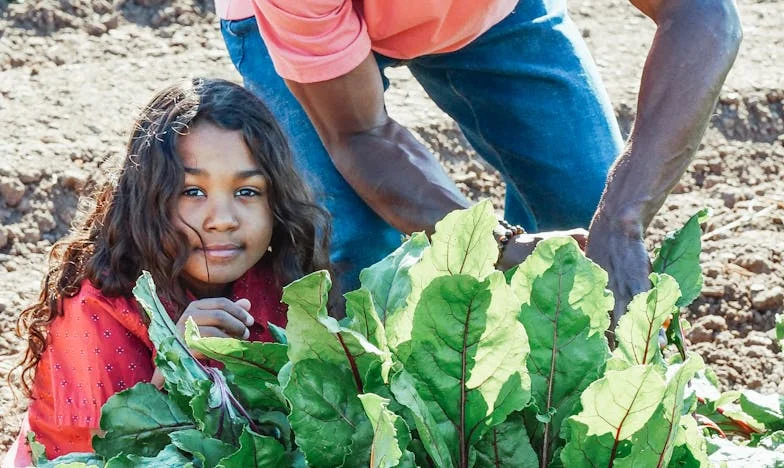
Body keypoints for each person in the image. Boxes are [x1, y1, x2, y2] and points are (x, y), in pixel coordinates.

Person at [216, 0, 741, 322]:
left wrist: (622, 217)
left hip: (486, 13)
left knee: (584, 202)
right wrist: (499, 245)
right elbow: (359, 133)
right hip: (300, 23)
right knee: (356, 257)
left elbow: (703, 12)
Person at [3, 78, 331, 465]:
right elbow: (105, 453)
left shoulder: (279, 282)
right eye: (192, 192)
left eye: (247, 192)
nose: (223, 219)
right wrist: (176, 364)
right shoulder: (95, 309)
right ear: (146, 202)